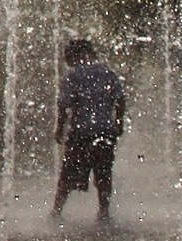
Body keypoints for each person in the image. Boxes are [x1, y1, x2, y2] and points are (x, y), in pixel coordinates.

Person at [50, 36, 125, 224]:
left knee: (67, 177)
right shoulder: (107, 72)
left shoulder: (73, 75)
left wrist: (59, 129)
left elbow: (64, 105)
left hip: (80, 134)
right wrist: (118, 123)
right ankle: (104, 212)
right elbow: (120, 99)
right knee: (103, 174)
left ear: (77, 55)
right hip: (104, 133)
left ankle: (56, 213)